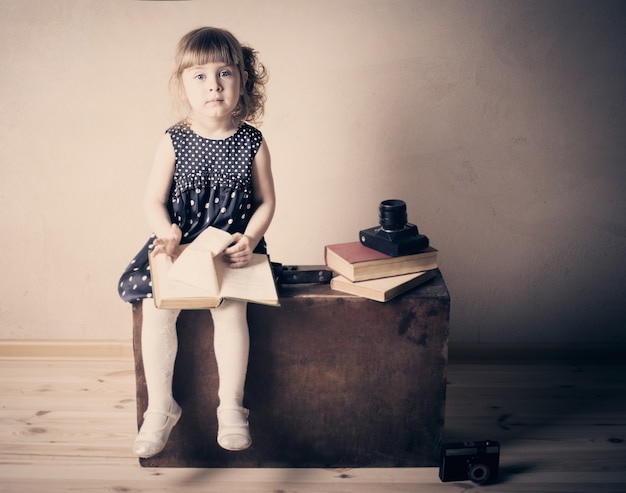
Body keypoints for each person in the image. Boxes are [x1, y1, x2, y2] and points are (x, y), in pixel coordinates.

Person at [117, 27, 275, 458]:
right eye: (200, 76)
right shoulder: (175, 139)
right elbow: (152, 199)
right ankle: (161, 407)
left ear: (242, 79)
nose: (214, 85)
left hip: (229, 251)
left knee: (231, 311)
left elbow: (266, 202)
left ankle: (231, 406)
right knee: (155, 308)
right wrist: (166, 231)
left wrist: (252, 238)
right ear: (182, 85)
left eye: (225, 73)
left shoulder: (251, 142)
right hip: (179, 247)